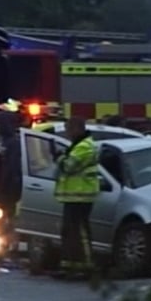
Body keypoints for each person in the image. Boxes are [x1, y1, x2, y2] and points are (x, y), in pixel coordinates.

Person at [53, 116, 100, 278]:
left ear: (77, 129)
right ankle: (69, 265)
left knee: (80, 232)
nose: (67, 134)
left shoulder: (85, 146)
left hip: (82, 196)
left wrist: (58, 157)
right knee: (68, 232)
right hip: (73, 196)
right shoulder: (78, 145)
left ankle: (87, 266)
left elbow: (68, 166)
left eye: (68, 130)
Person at [0, 110, 23, 249]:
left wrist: (6, 185)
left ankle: (8, 244)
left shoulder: (13, 143)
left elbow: (12, 167)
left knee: (8, 216)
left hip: (9, 187)